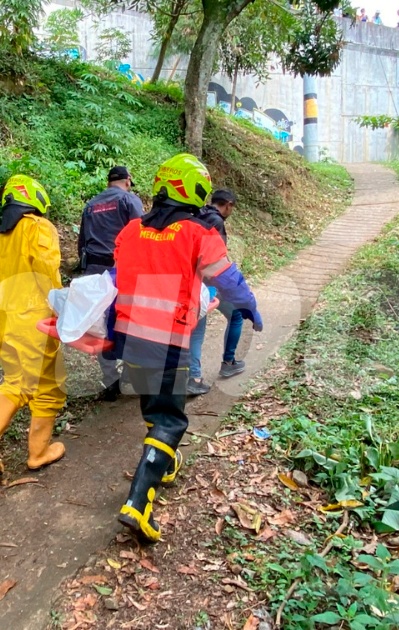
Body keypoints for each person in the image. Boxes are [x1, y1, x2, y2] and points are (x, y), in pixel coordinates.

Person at [111, 154, 263, 543]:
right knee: (171, 421)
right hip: (168, 342)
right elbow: (226, 279)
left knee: (154, 409)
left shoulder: (130, 231)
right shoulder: (198, 234)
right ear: (194, 191)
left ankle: (165, 464)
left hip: (131, 339)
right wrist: (248, 305)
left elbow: (114, 279)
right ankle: (137, 503)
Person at [0, 175, 67, 476]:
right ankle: (32, 452)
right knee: (47, 386)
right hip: (35, 319)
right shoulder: (38, 227)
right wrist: (62, 309)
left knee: (17, 381)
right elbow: (46, 270)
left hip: (4, 321)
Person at [78, 166, 144, 401]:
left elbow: (82, 239)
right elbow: (141, 234)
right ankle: (129, 374)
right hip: (121, 272)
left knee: (102, 328)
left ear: (108, 182)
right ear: (128, 181)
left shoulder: (91, 204)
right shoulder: (129, 200)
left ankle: (110, 380)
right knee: (128, 323)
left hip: (94, 271)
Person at [187, 189, 247, 395]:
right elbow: (215, 259)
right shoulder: (217, 222)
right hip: (209, 282)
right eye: (232, 208)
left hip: (190, 280)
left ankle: (193, 376)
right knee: (237, 314)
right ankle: (228, 362)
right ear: (228, 204)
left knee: (196, 328)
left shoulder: (196, 214)